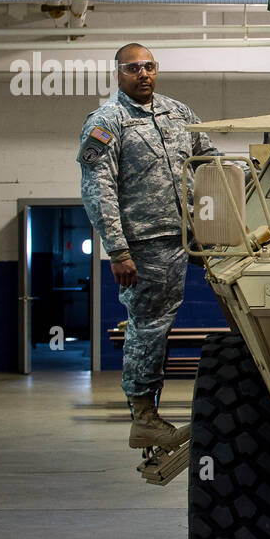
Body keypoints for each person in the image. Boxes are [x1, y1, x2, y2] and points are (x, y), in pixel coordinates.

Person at [77, 44, 220, 452]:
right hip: (145, 242)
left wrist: (246, 171)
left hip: (193, 232)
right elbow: (97, 189)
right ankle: (144, 416)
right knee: (151, 324)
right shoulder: (107, 122)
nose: (143, 74)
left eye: (149, 67)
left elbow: (207, 157)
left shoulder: (178, 112)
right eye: (133, 68)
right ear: (118, 73)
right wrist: (118, 251)